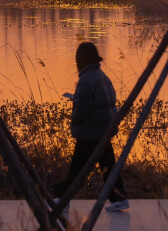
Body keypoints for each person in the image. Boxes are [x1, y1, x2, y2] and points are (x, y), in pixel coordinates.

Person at [53, 41, 129, 213]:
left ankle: (61, 197)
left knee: (77, 170)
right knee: (108, 167)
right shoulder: (102, 76)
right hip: (103, 131)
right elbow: (106, 104)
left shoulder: (86, 80)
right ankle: (119, 198)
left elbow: (83, 110)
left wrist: (75, 109)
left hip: (89, 134)